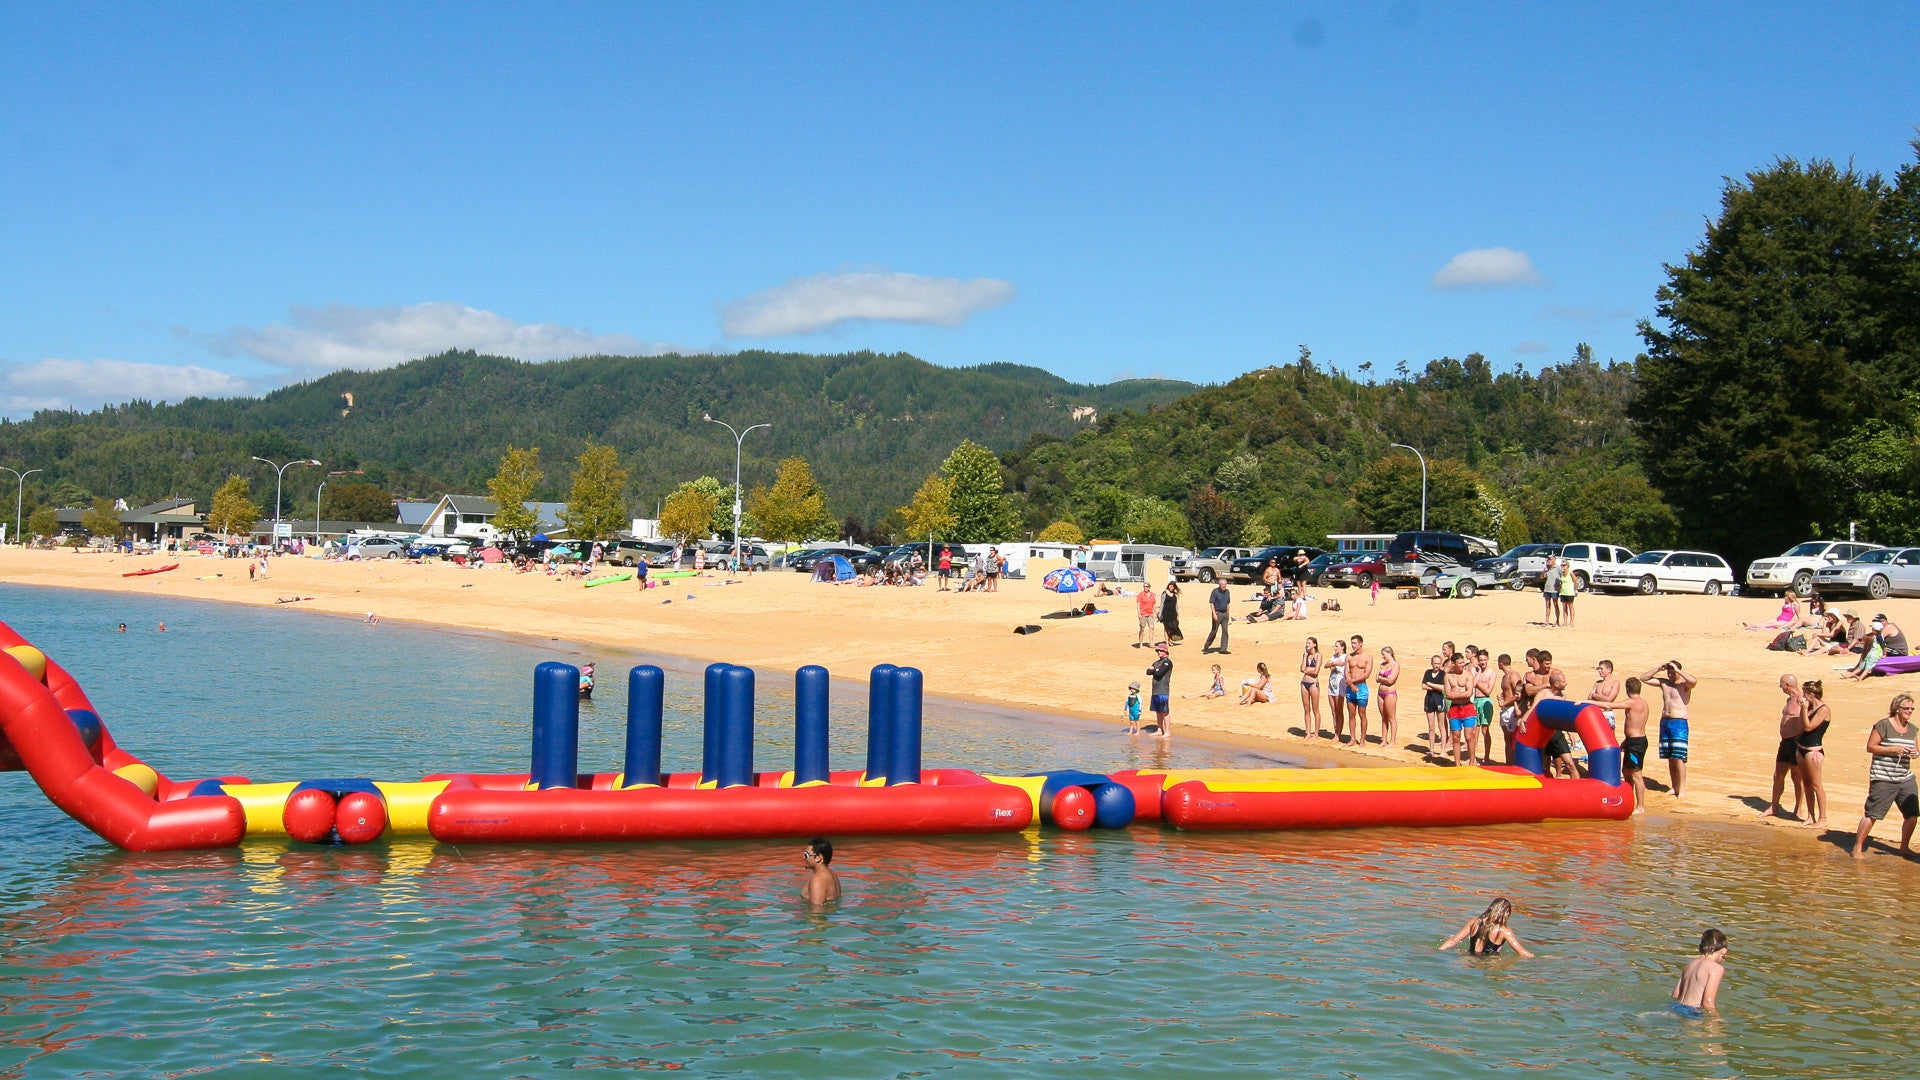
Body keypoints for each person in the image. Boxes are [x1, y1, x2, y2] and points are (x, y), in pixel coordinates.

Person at [1852, 692, 1919, 858]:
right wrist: (1892, 749)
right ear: (1897, 708)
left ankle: (1904, 847)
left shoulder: (1912, 729)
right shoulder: (1883, 725)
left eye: (1912, 709)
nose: (1909, 711)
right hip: (1883, 777)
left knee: (1912, 815)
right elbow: (1871, 746)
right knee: (1873, 814)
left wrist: (1914, 753)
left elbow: (1916, 750)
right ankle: (1857, 847)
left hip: (1905, 777)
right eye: (1906, 708)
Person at [1591, 676, 1652, 813]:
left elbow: (1608, 705)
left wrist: (1587, 702)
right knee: (1626, 771)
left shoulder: (1632, 702)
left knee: (1636, 774)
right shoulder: (1644, 703)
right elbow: (1636, 723)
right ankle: (1629, 801)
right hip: (1633, 741)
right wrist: (1625, 742)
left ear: (1627, 689)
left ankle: (1640, 806)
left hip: (1636, 743)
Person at [1645, 660, 1696, 799]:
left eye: (1672, 672)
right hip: (1665, 722)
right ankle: (1674, 786)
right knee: (1670, 758)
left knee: (1678, 758)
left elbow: (1694, 681)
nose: (1670, 675)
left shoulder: (1684, 685)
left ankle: (1682, 788)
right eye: (1669, 672)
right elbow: (1644, 678)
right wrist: (1658, 668)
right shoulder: (1665, 683)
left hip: (1678, 723)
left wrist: (1678, 670)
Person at [1762, 674, 1807, 821]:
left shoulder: (1802, 699)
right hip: (1785, 742)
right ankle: (1774, 807)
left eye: (1781, 684)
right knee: (1778, 775)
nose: (1780, 687)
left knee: (1796, 777)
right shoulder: (1789, 700)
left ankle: (1798, 809)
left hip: (1796, 741)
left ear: (1787, 685)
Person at [1438, 897, 1535, 958]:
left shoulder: (1474, 922)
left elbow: (1454, 940)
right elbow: (1522, 952)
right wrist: (1538, 959)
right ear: (1505, 912)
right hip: (1488, 964)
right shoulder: (1503, 930)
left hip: (1469, 959)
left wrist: (1439, 951)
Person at [1671, 930, 1729, 1016]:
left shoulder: (1690, 964)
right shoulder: (1716, 968)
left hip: (1676, 1006)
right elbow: (1708, 1003)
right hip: (1692, 1011)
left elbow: (1675, 995)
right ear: (1724, 952)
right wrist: (1716, 1018)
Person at [1798, 680, 1831, 828]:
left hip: (1813, 751)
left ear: (1811, 694)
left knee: (1817, 785)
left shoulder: (1823, 709)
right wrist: (1804, 709)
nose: (1803, 696)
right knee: (1806, 783)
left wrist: (1804, 709)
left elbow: (1809, 727)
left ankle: (1822, 818)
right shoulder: (1810, 708)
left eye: (1805, 693)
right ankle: (1811, 816)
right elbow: (1801, 724)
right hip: (1801, 747)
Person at [1443, 653, 1476, 765]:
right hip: (1454, 709)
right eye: (1460, 663)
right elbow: (1447, 694)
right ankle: (1457, 763)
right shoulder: (1448, 676)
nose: (1462, 664)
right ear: (1453, 663)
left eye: (1463, 662)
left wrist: (1454, 695)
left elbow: (1469, 693)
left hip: (1467, 707)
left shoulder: (1468, 675)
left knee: (1469, 736)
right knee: (1456, 737)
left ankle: (1472, 762)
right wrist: (1461, 694)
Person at [1345, 635, 1374, 746]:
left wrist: (1352, 681)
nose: (1353, 645)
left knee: (1362, 714)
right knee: (1351, 715)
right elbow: (1346, 671)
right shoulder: (1349, 657)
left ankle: (1362, 739)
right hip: (1350, 688)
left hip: (1361, 688)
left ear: (1361, 643)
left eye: (1355, 643)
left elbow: (1367, 674)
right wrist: (1351, 684)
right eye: (1352, 643)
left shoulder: (1368, 657)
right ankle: (1352, 738)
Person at [1497, 653, 1522, 765]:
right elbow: (1508, 692)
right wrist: (1501, 696)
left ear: (1501, 663)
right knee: (1507, 739)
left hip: (1512, 709)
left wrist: (1505, 702)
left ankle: (1514, 763)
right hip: (1505, 709)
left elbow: (1518, 694)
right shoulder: (1504, 677)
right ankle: (1508, 764)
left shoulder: (1513, 676)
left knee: (1512, 739)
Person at [1420, 655, 1447, 760]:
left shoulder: (1443, 674)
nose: (1437, 665)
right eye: (1435, 663)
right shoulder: (1427, 672)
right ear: (1432, 663)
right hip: (1429, 700)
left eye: (1439, 663)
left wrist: (1430, 684)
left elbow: (1443, 688)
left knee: (1441, 725)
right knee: (1431, 727)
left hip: (1439, 700)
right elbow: (1423, 686)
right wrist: (1435, 686)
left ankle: (1443, 750)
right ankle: (1431, 749)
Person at [1146, 643, 1174, 740]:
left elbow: (1159, 673)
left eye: (1161, 650)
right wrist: (1155, 670)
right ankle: (1159, 729)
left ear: (1166, 652)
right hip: (1155, 690)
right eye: (1157, 651)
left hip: (1163, 690)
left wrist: (1154, 670)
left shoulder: (1167, 662)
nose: (1158, 652)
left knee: (1164, 711)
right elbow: (1148, 671)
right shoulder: (1157, 662)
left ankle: (1167, 731)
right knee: (1158, 711)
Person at [802, 838, 840, 905]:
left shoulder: (818, 880)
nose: (804, 858)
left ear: (818, 858)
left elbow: (817, 909)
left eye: (806, 855)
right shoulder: (832, 875)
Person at [1325, 639, 1350, 744]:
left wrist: (1334, 664)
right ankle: (1336, 731)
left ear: (1342, 647)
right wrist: (1335, 663)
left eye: (1337, 646)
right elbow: (1326, 665)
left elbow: (1344, 667)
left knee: (1339, 710)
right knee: (1333, 711)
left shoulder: (1345, 657)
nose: (1335, 648)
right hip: (1332, 684)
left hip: (1340, 686)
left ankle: (1338, 734)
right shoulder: (1334, 657)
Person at [1377, 646, 1401, 751]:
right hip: (1380, 693)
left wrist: (1381, 678)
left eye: (1384, 654)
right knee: (1384, 717)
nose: (1382, 656)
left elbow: (1391, 680)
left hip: (1390, 693)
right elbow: (1376, 678)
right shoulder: (1382, 665)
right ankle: (1384, 740)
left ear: (1389, 653)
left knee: (1391, 717)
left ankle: (1392, 741)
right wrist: (1384, 679)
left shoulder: (1395, 665)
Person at [1299, 638, 1323, 740]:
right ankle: (1308, 732)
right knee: (1306, 709)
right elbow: (1302, 668)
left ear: (1314, 645)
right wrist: (1305, 657)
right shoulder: (1306, 655)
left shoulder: (1318, 655)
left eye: (1309, 643)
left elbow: (1315, 672)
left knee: (1315, 709)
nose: (1307, 645)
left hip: (1313, 683)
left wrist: (1306, 670)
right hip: (1304, 683)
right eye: (1306, 643)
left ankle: (1316, 733)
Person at [1203, 579, 1232, 654]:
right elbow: (1211, 603)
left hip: (1225, 614)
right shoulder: (1215, 591)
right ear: (1219, 584)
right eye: (1222, 584)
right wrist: (1214, 614)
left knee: (1225, 631)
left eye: (1225, 584)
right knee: (1214, 631)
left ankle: (1223, 649)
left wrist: (1228, 614)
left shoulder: (1227, 592)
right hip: (1217, 613)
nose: (1224, 586)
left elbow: (1228, 603)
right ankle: (1206, 646)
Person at [1135, 584, 1159, 648]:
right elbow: (1138, 604)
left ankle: (1151, 643)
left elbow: (1153, 605)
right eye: (1144, 586)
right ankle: (1140, 643)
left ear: (1149, 587)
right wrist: (1139, 613)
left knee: (1151, 627)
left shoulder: (1152, 595)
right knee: (1142, 628)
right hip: (1143, 613)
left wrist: (1156, 613)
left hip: (1150, 613)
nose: (1145, 587)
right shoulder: (1141, 594)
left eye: (1147, 586)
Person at [1542, 557, 1562, 626]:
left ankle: (1557, 621)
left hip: (1555, 590)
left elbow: (1563, 576)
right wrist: (1544, 571)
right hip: (1547, 589)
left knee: (1555, 604)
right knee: (1547, 605)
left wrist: (1560, 586)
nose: (1548, 561)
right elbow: (1541, 577)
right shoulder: (1547, 568)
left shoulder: (1558, 568)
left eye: (1550, 559)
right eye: (1548, 559)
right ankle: (1546, 621)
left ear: (1554, 560)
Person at [1556, 562, 1577, 626]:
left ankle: (1571, 621)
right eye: (1561, 565)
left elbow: (1575, 581)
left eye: (1564, 565)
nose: (1563, 566)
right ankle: (1565, 621)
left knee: (1570, 606)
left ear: (1567, 566)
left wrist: (1575, 590)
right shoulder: (1561, 574)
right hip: (1563, 591)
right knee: (1564, 607)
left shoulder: (1570, 573)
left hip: (1570, 592)